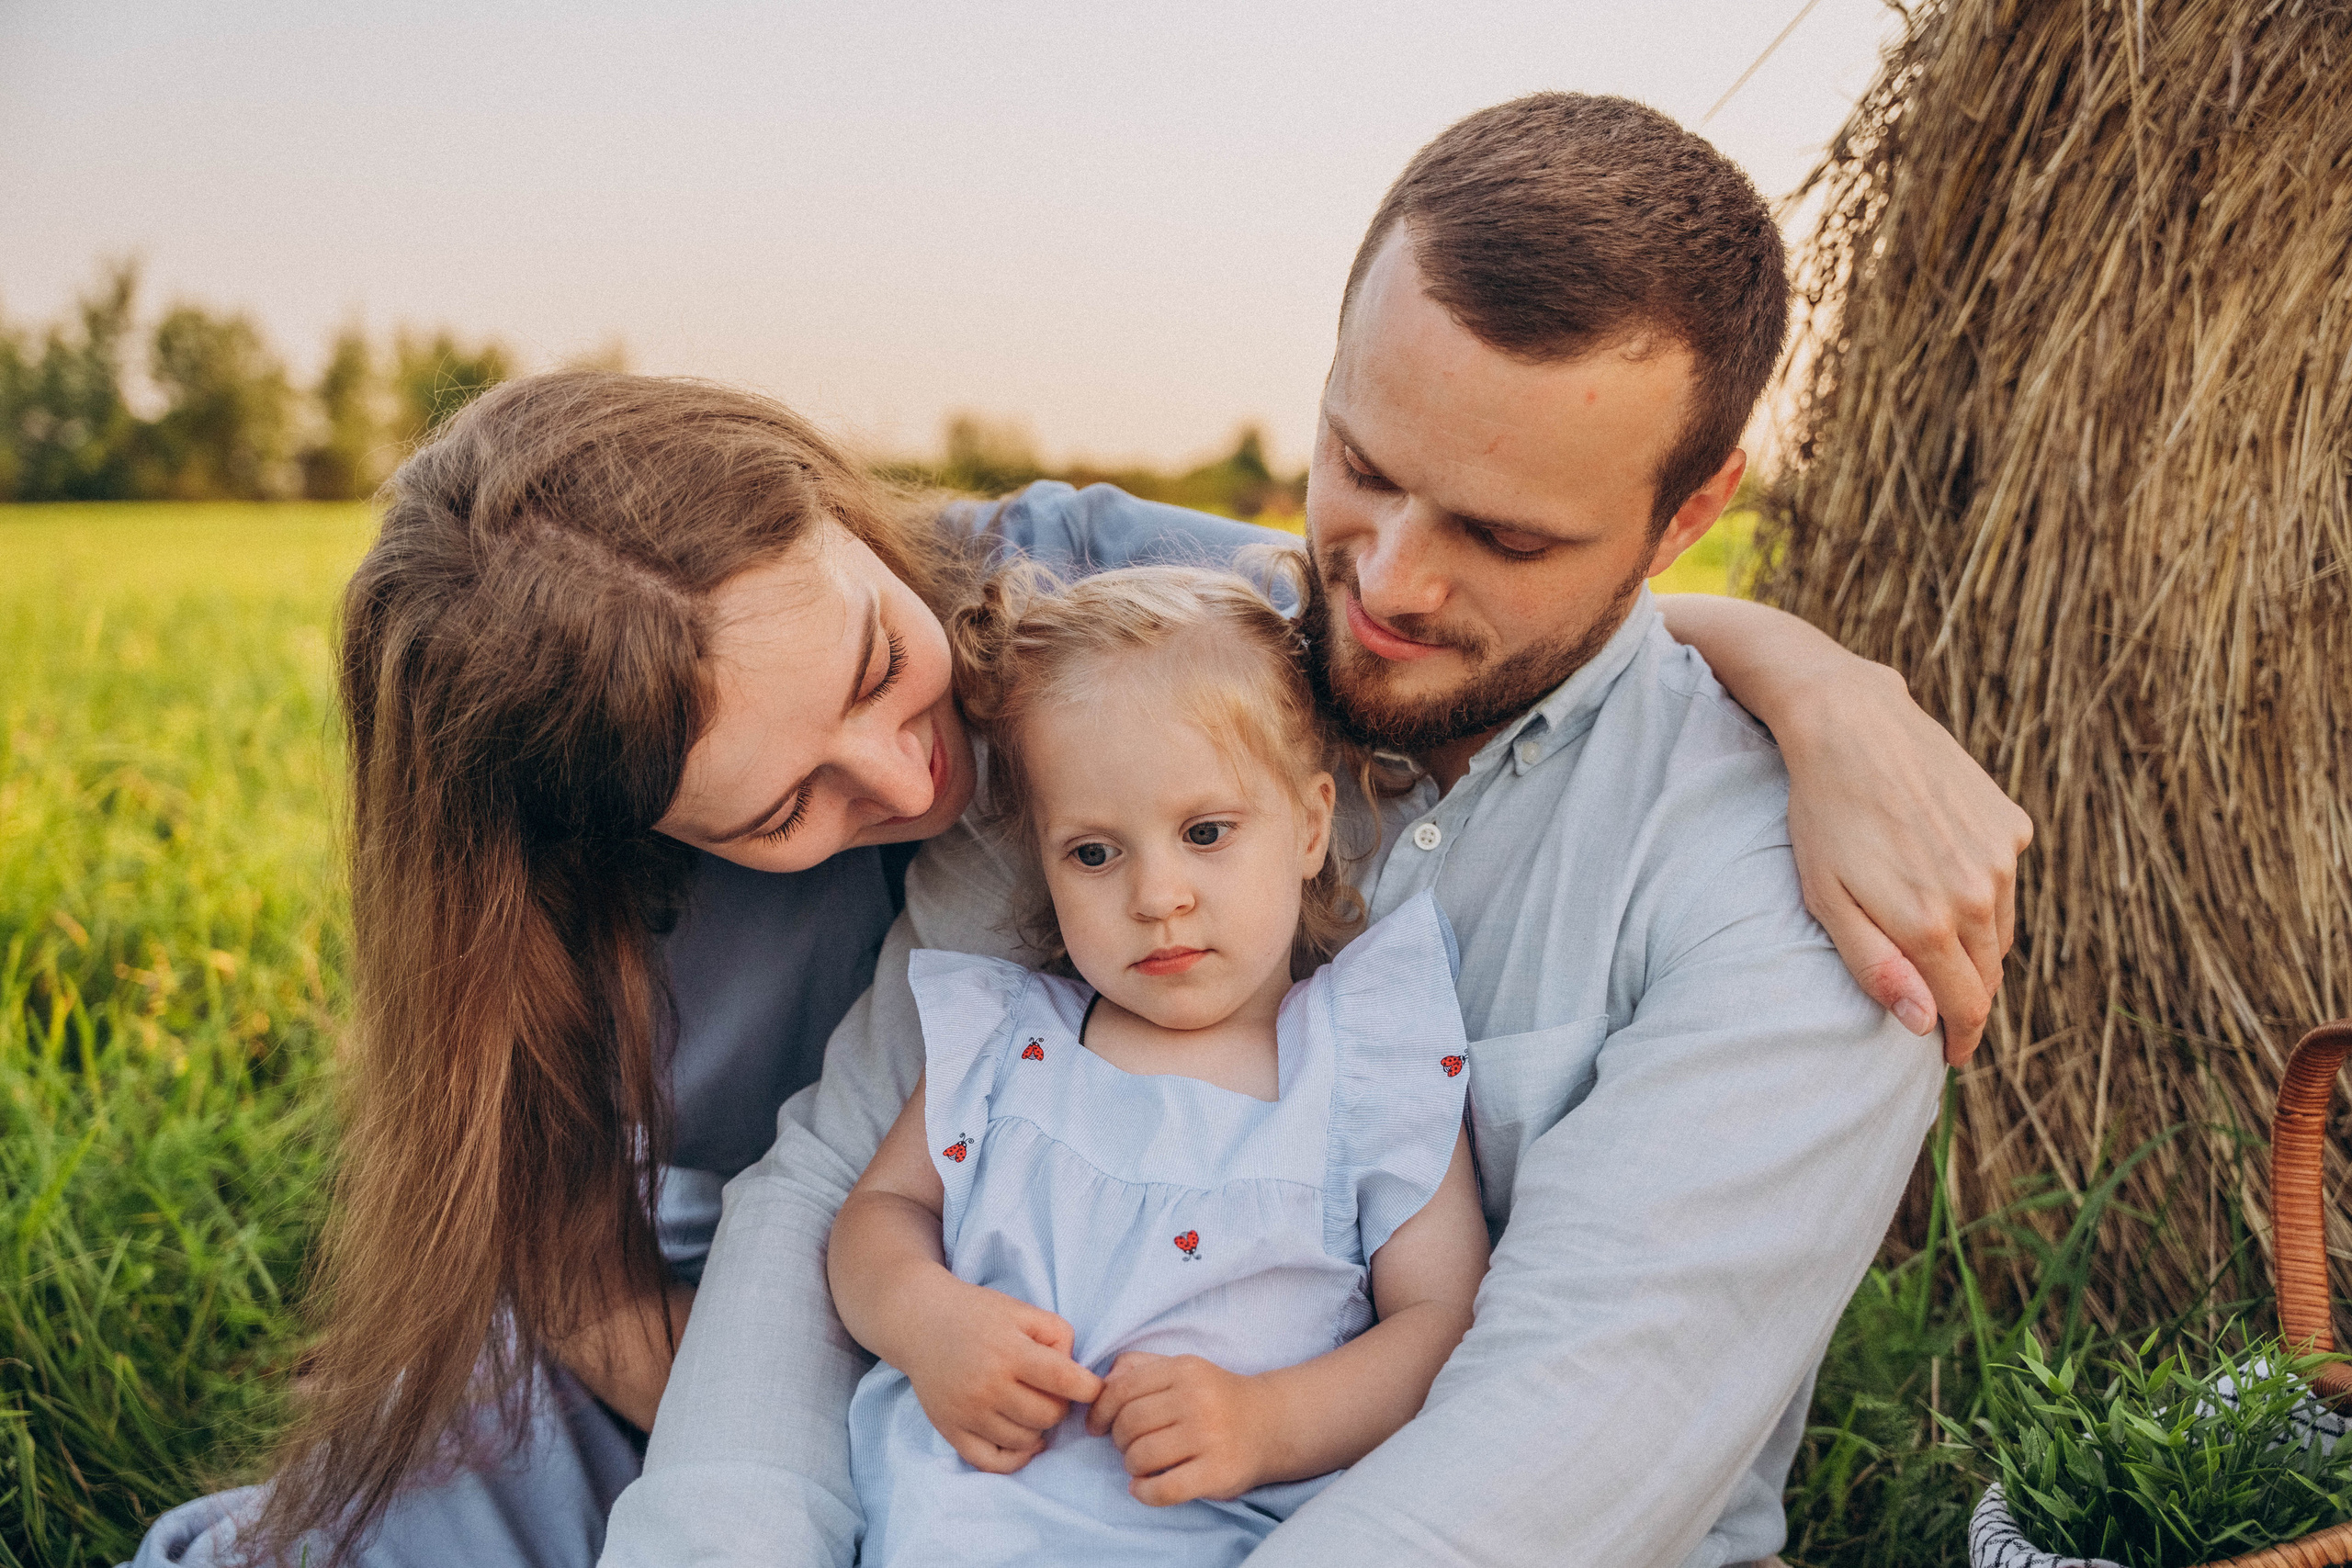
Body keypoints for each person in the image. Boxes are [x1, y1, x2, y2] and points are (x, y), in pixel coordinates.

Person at [129, 105, 2027, 1568]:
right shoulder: (1136, 694)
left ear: (1688, 515)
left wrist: (1807, 681)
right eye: (1354, 469)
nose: (1372, 586)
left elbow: (1554, 1434)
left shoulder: (1809, 901)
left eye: (1503, 541)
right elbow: (832, 1183)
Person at [832, 562, 1488, 1566]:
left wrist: (1267, 1421)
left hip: (1218, 1531)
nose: (1157, 895)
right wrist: (928, 1322)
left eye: (1205, 833)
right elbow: (878, 1218)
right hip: (951, 1525)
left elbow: (1440, 1321)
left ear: (1310, 827)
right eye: (1094, 854)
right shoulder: (1013, 1043)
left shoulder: (1363, 1068)